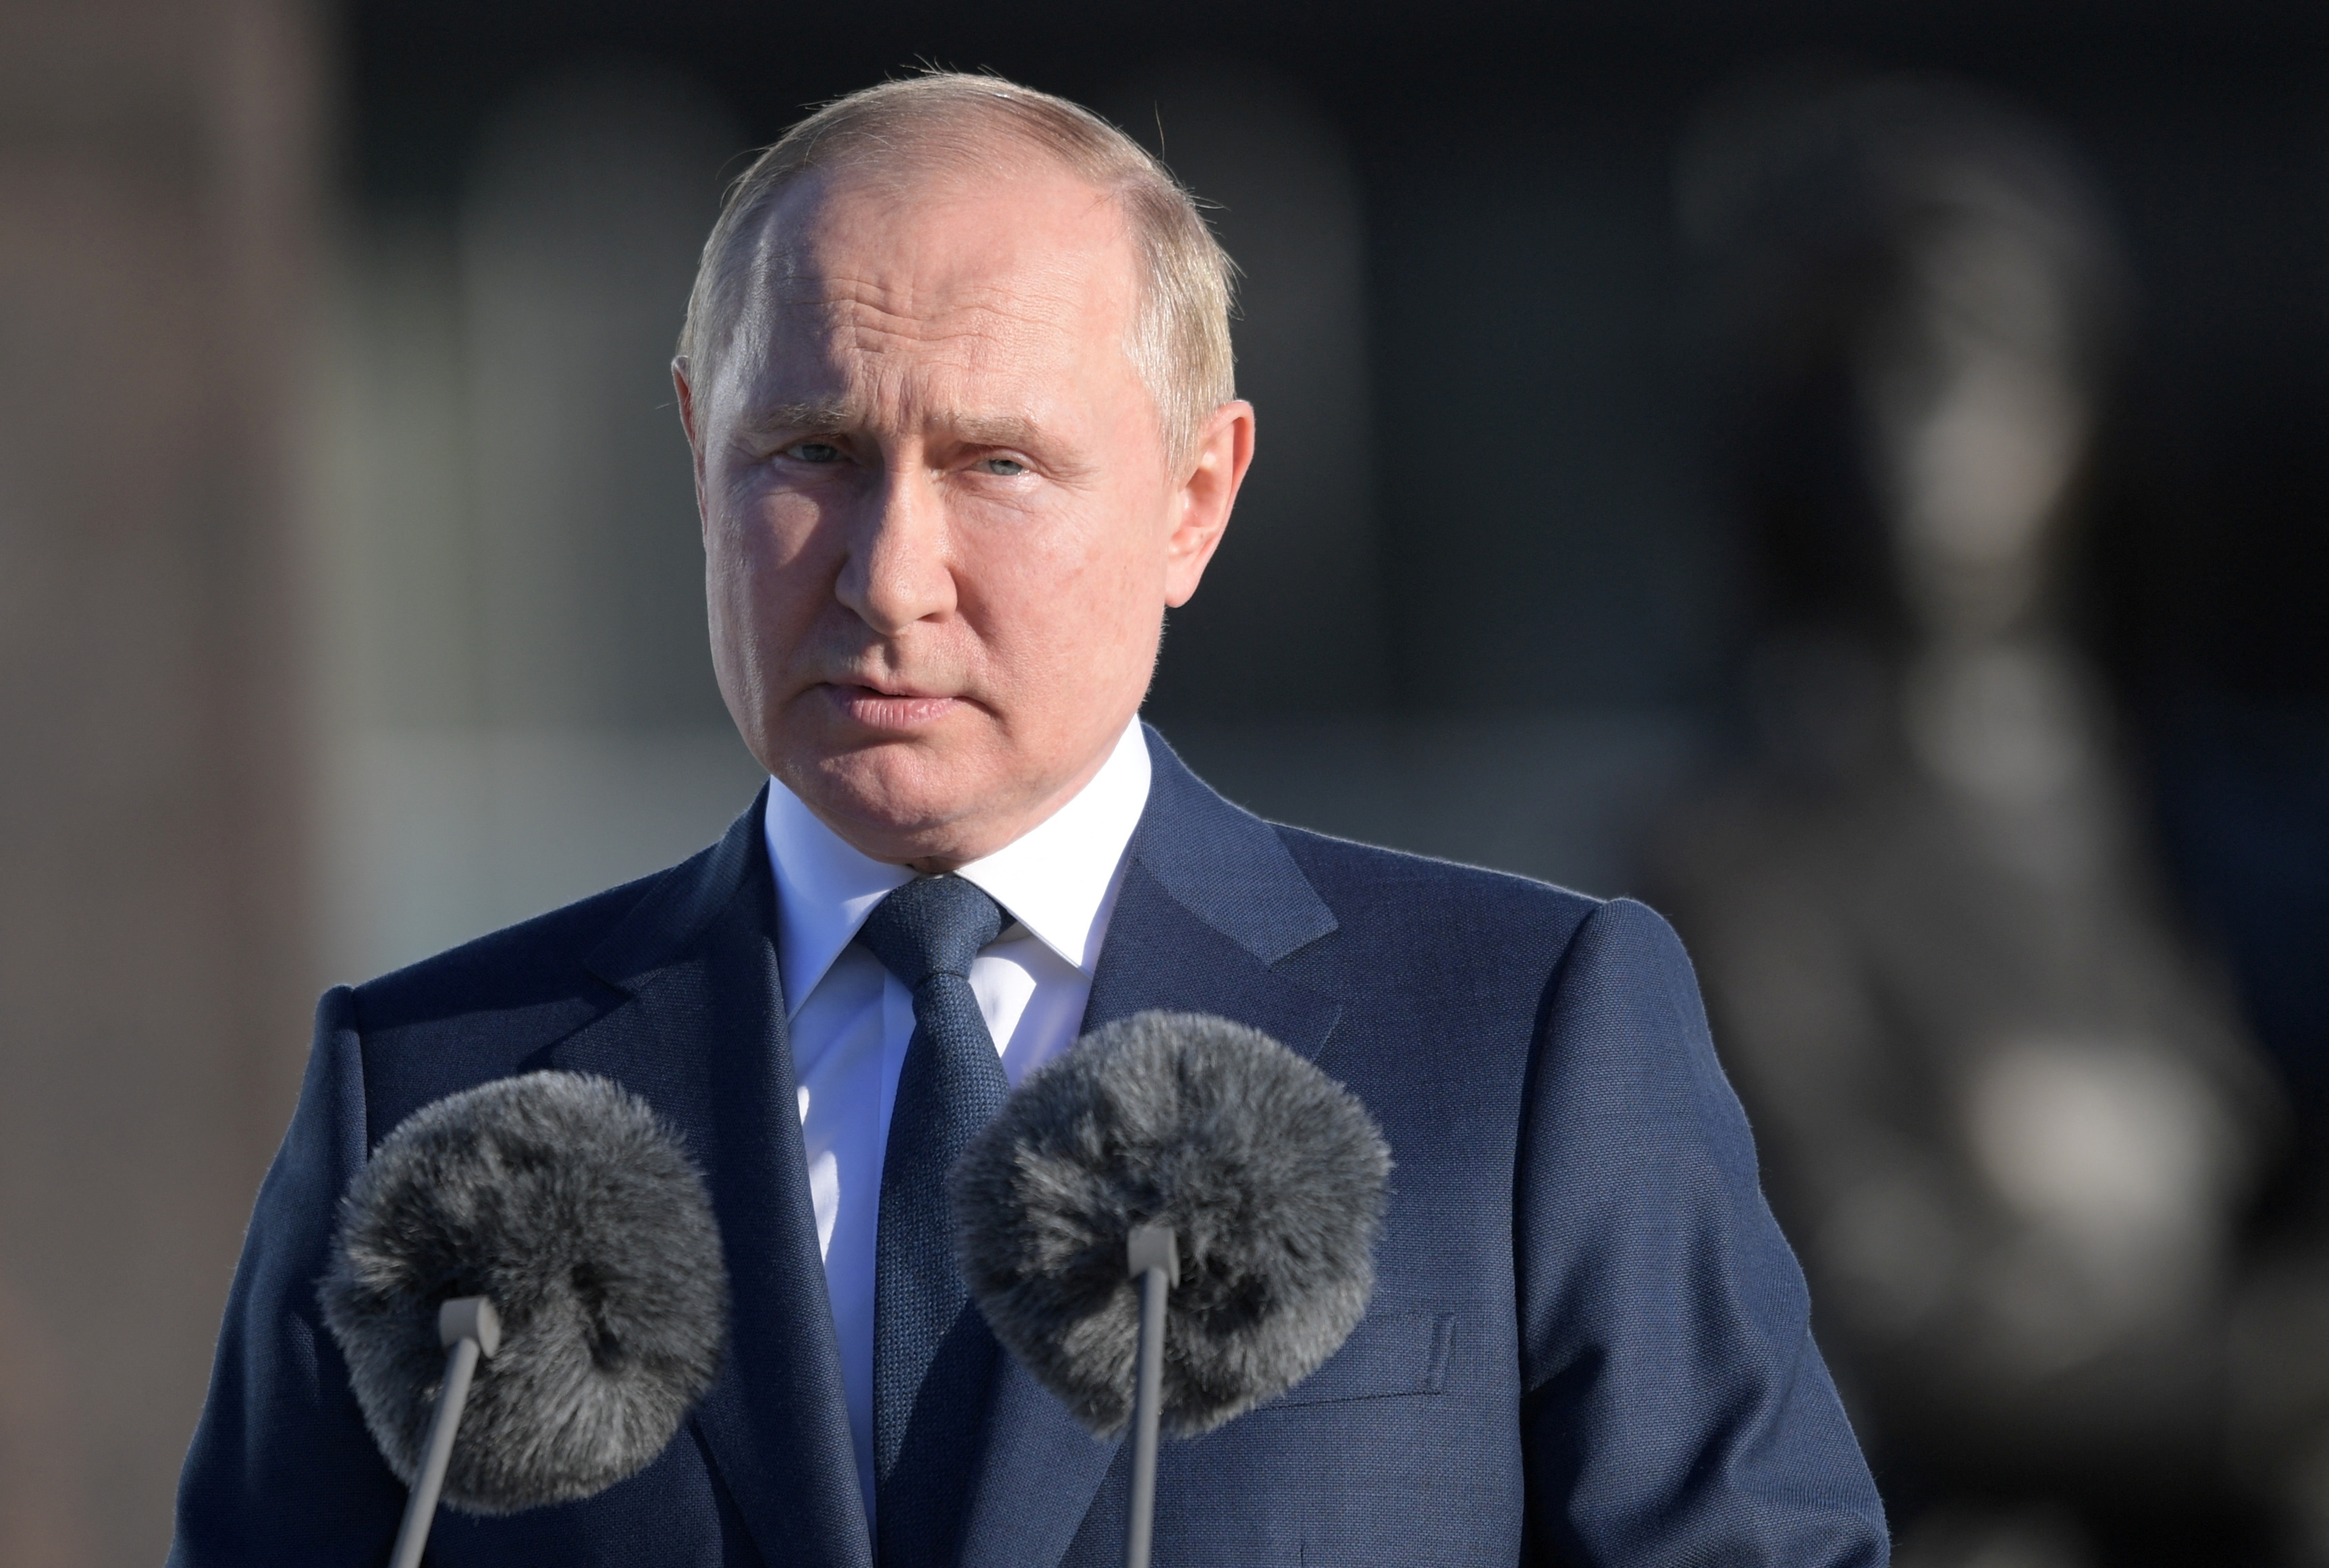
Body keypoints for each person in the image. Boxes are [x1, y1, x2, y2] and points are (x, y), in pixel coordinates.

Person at [168, 72, 1885, 1567]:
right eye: (812, 454)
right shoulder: (435, 1095)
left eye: (996, 463)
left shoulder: (1520, 1041)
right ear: (698, 454)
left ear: (1195, 498)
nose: (888, 577)